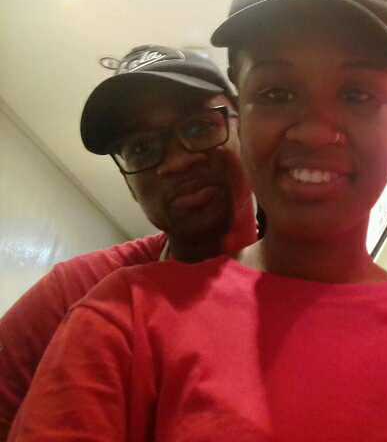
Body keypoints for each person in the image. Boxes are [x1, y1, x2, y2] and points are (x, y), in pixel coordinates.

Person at [9, 0, 387, 440]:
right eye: (276, 93)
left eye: (357, 94)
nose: (314, 130)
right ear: (242, 112)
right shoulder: (124, 322)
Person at [0, 45, 256, 439]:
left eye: (198, 127)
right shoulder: (81, 292)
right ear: (130, 184)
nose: (176, 162)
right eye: (141, 149)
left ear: (246, 128)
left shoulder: (313, 271)